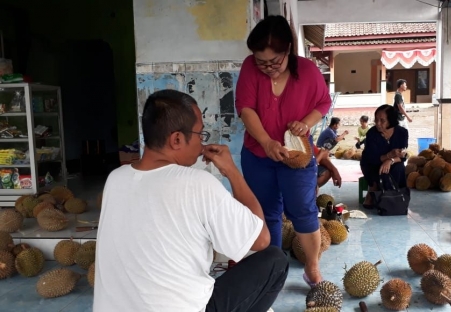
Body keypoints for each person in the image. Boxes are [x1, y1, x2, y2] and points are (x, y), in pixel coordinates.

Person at [94, 90, 288, 312]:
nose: (201, 144)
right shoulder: (197, 183)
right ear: (176, 139)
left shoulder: (115, 178)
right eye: (200, 135)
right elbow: (261, 240)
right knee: (275, 260)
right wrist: (232, 171)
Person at [235, 15, 331, 286]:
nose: (267, 68)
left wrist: (306, 123)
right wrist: (266, 142)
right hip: (257, 155)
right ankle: (272, 272)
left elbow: (323, 102)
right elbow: (246, 108)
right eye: (261, 62)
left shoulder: (308, 71)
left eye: (274, 62)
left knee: (303, 210)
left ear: (288, 51)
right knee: (266, 214)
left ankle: (312, 267)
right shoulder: (249, 69)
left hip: (298, 157)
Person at [359, 104, 408, 209]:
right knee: (374, 168)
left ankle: (394, 194)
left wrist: (390, 160)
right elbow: (371, 158)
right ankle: (373, 188)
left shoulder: (402, 133)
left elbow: (403, 156)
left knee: (399, 167)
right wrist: (389, 155)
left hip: (393, 163)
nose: (378, 123)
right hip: (371, 163)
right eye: (376, 120)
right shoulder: (372, 133)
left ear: (391, 120)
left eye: (382, 120)